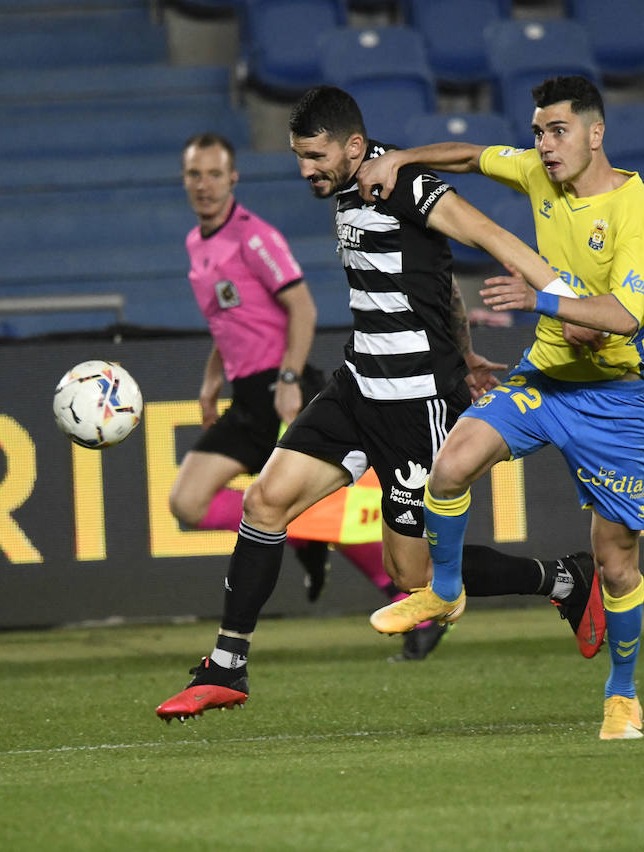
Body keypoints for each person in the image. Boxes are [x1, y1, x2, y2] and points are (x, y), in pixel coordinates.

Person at [155, 87, 605, 722]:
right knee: (265, 501)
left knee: (415, 578)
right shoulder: (349, 188)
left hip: (416, 405)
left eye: (315, 156)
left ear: (355, 148)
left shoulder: (402, 182)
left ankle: (565, 579)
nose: (305, 170)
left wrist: (569, 302)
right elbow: (436, 279)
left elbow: (491, 236)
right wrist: (469, 350)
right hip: (357, 387)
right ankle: (227, 664)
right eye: (298, 157)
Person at [358, 75, 644, 740]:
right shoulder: (537, 174)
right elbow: (470, 156)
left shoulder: (634, 209)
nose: (544, 146)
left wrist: (539, 299)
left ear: (595, 133)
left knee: (616, 564)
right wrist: (401, 157)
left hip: (612, 400)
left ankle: (622, 693)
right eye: (538, 133)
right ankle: (444, 590)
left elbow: (624, 316)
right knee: (449, 467)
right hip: (547, 379)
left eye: (557, 131)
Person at [170, 132, 446, 662]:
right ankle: (300, 539)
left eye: (213, 174)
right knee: (187, 502)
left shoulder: (255, 238)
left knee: (332, 514)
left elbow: (302, 309)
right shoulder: (196, 243)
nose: (203, 185)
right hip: (246, 398)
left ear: (233, 178)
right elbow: (228, 322)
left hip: (283, 387)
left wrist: (292, 380)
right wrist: (211, 379)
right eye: (193, 175)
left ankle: (413, 603)